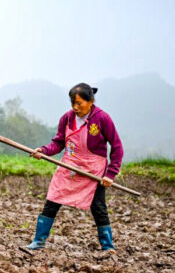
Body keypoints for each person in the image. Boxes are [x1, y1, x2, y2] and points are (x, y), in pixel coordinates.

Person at [25, 83, 123, 253]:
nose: (75, 107)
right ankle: (38, 242)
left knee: (98, 207)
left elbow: (117, 146)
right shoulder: (67, 118)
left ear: (91, 101)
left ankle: (108, 247)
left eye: (79, 103)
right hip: (69, 165)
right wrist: (44, 151)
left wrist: (111, 174)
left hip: (93, 170)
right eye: (73, 103)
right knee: (52, 200)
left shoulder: (102, 118)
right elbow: (58, 143)